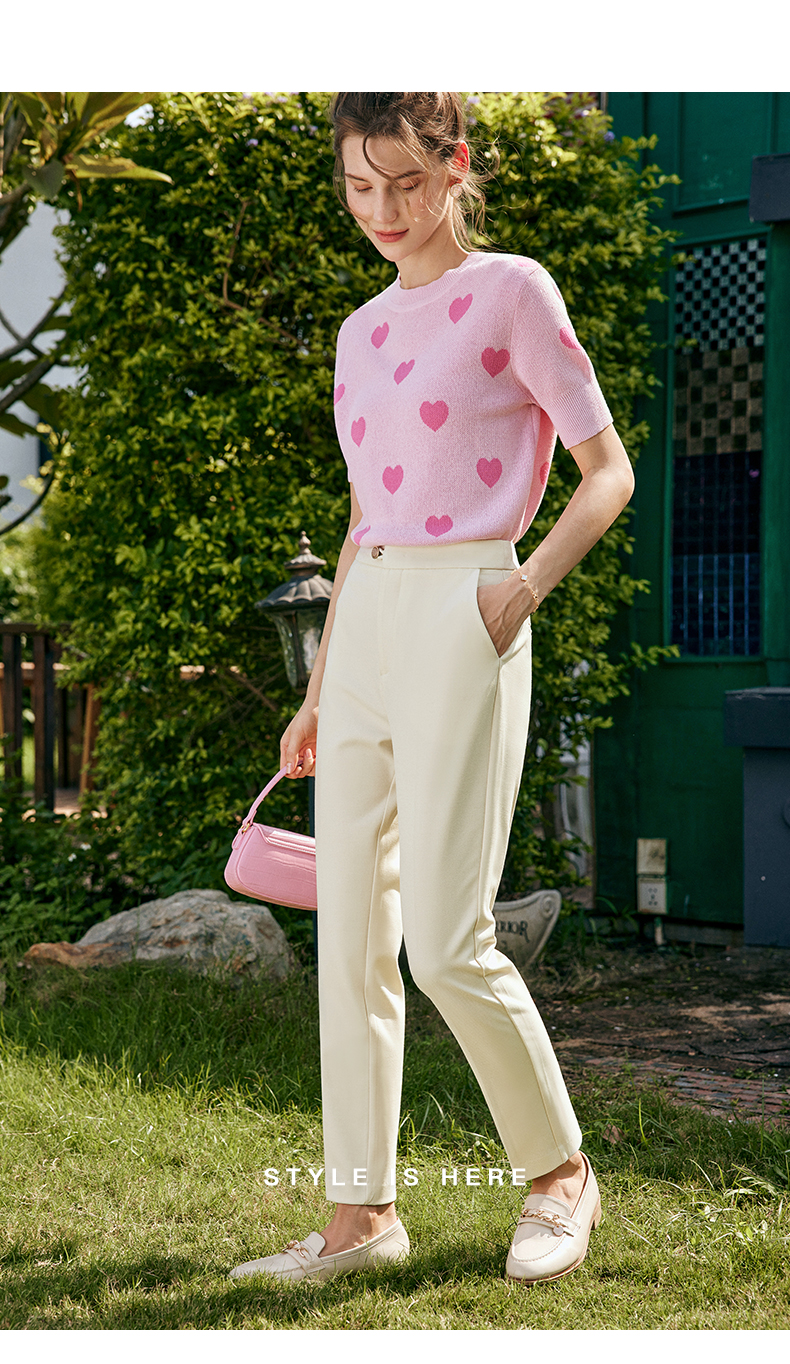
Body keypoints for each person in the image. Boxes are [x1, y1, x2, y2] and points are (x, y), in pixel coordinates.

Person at [231, 92, 634, 1286]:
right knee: (353, 935)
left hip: (468, 602)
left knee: (446, 940)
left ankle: (560, 1171)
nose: (384, 209)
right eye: (360, 187)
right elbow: (364, 518)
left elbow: (605, 470)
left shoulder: (514, 291)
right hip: (366, 622)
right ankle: (361, 1213)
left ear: (455, 165)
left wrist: (520, 591)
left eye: (405, 181)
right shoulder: (359, 331)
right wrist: (318, 691)